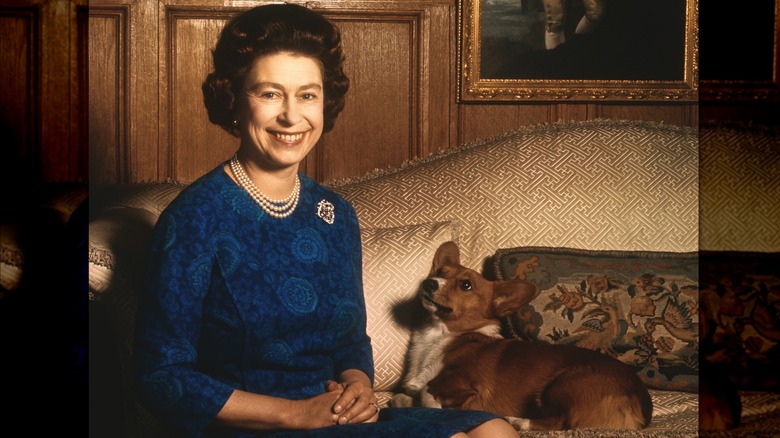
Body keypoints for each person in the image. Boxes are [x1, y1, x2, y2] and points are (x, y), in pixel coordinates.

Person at [133, 4, 517, 437]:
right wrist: (294, 414)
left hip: (332, 419)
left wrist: (357, 385)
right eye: (270, 93)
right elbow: (161, 377)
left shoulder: (334, 215)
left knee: (494, 431)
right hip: (255, 426)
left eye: (307, 95)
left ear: (325, 102)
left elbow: (350, 342)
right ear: (235, 99)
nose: (292, 116)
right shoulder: (192, 219)